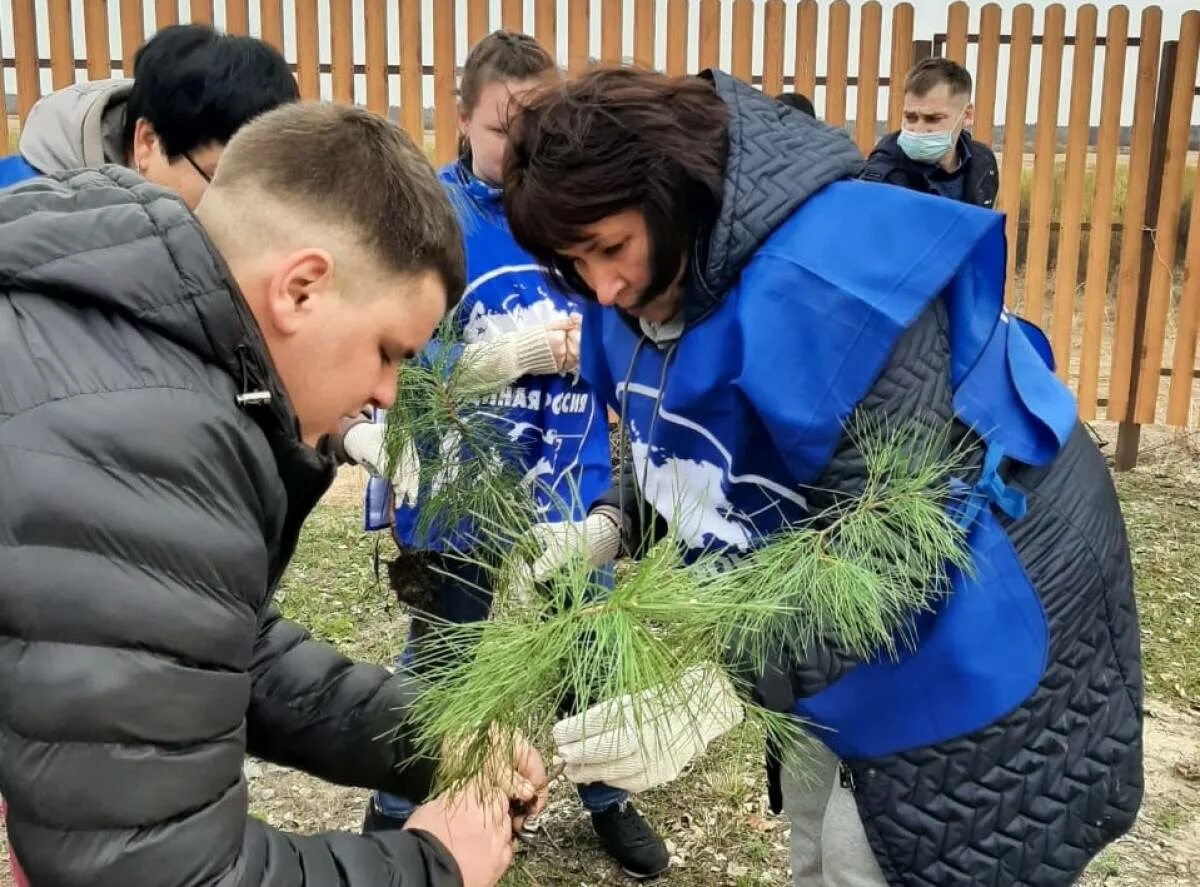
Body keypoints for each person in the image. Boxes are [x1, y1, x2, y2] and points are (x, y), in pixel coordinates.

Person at [501, 66, 1143, 886]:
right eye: (573, 263)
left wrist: (712, 695)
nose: (604, 286)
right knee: (821, 818)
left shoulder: (834, 287)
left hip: (984, 590)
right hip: (818, 614)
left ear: (673, 193)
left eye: (610, 249)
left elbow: (905, 540)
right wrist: (612, 519)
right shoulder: (644, 286)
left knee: (886, 849)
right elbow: (685, 427)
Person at [0, 101, 547, 887]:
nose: (389, 395)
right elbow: (160, 870)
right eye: (390, 352)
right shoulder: (144, 440)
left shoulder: (130, 346)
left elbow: (215, 647)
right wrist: (434, 863)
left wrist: (433, 736)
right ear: (300, 290)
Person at [341, 31, 669, 880]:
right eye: (503, 129)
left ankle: (604, 794)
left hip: (564, 469)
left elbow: (614, 361)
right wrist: (503, 353)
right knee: (448, 648)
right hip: (461, 487)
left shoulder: (569, 217)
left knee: (585, 644)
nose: (521, 148)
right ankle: (393, 797)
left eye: (539, 128)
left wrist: (607, 501)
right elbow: (398, 365)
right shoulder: (431, 221)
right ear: (461, 118)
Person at [0, 23, 298, 207]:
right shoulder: (24, 210)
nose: (245, 208)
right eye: (219, 177)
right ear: (147, 143)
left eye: (261, 183)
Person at [861, 57, 998, 208]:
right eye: (910, 117)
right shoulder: (883, 175)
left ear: (966, 115)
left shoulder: (983, 162)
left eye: (933, 118)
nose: (918, 129)